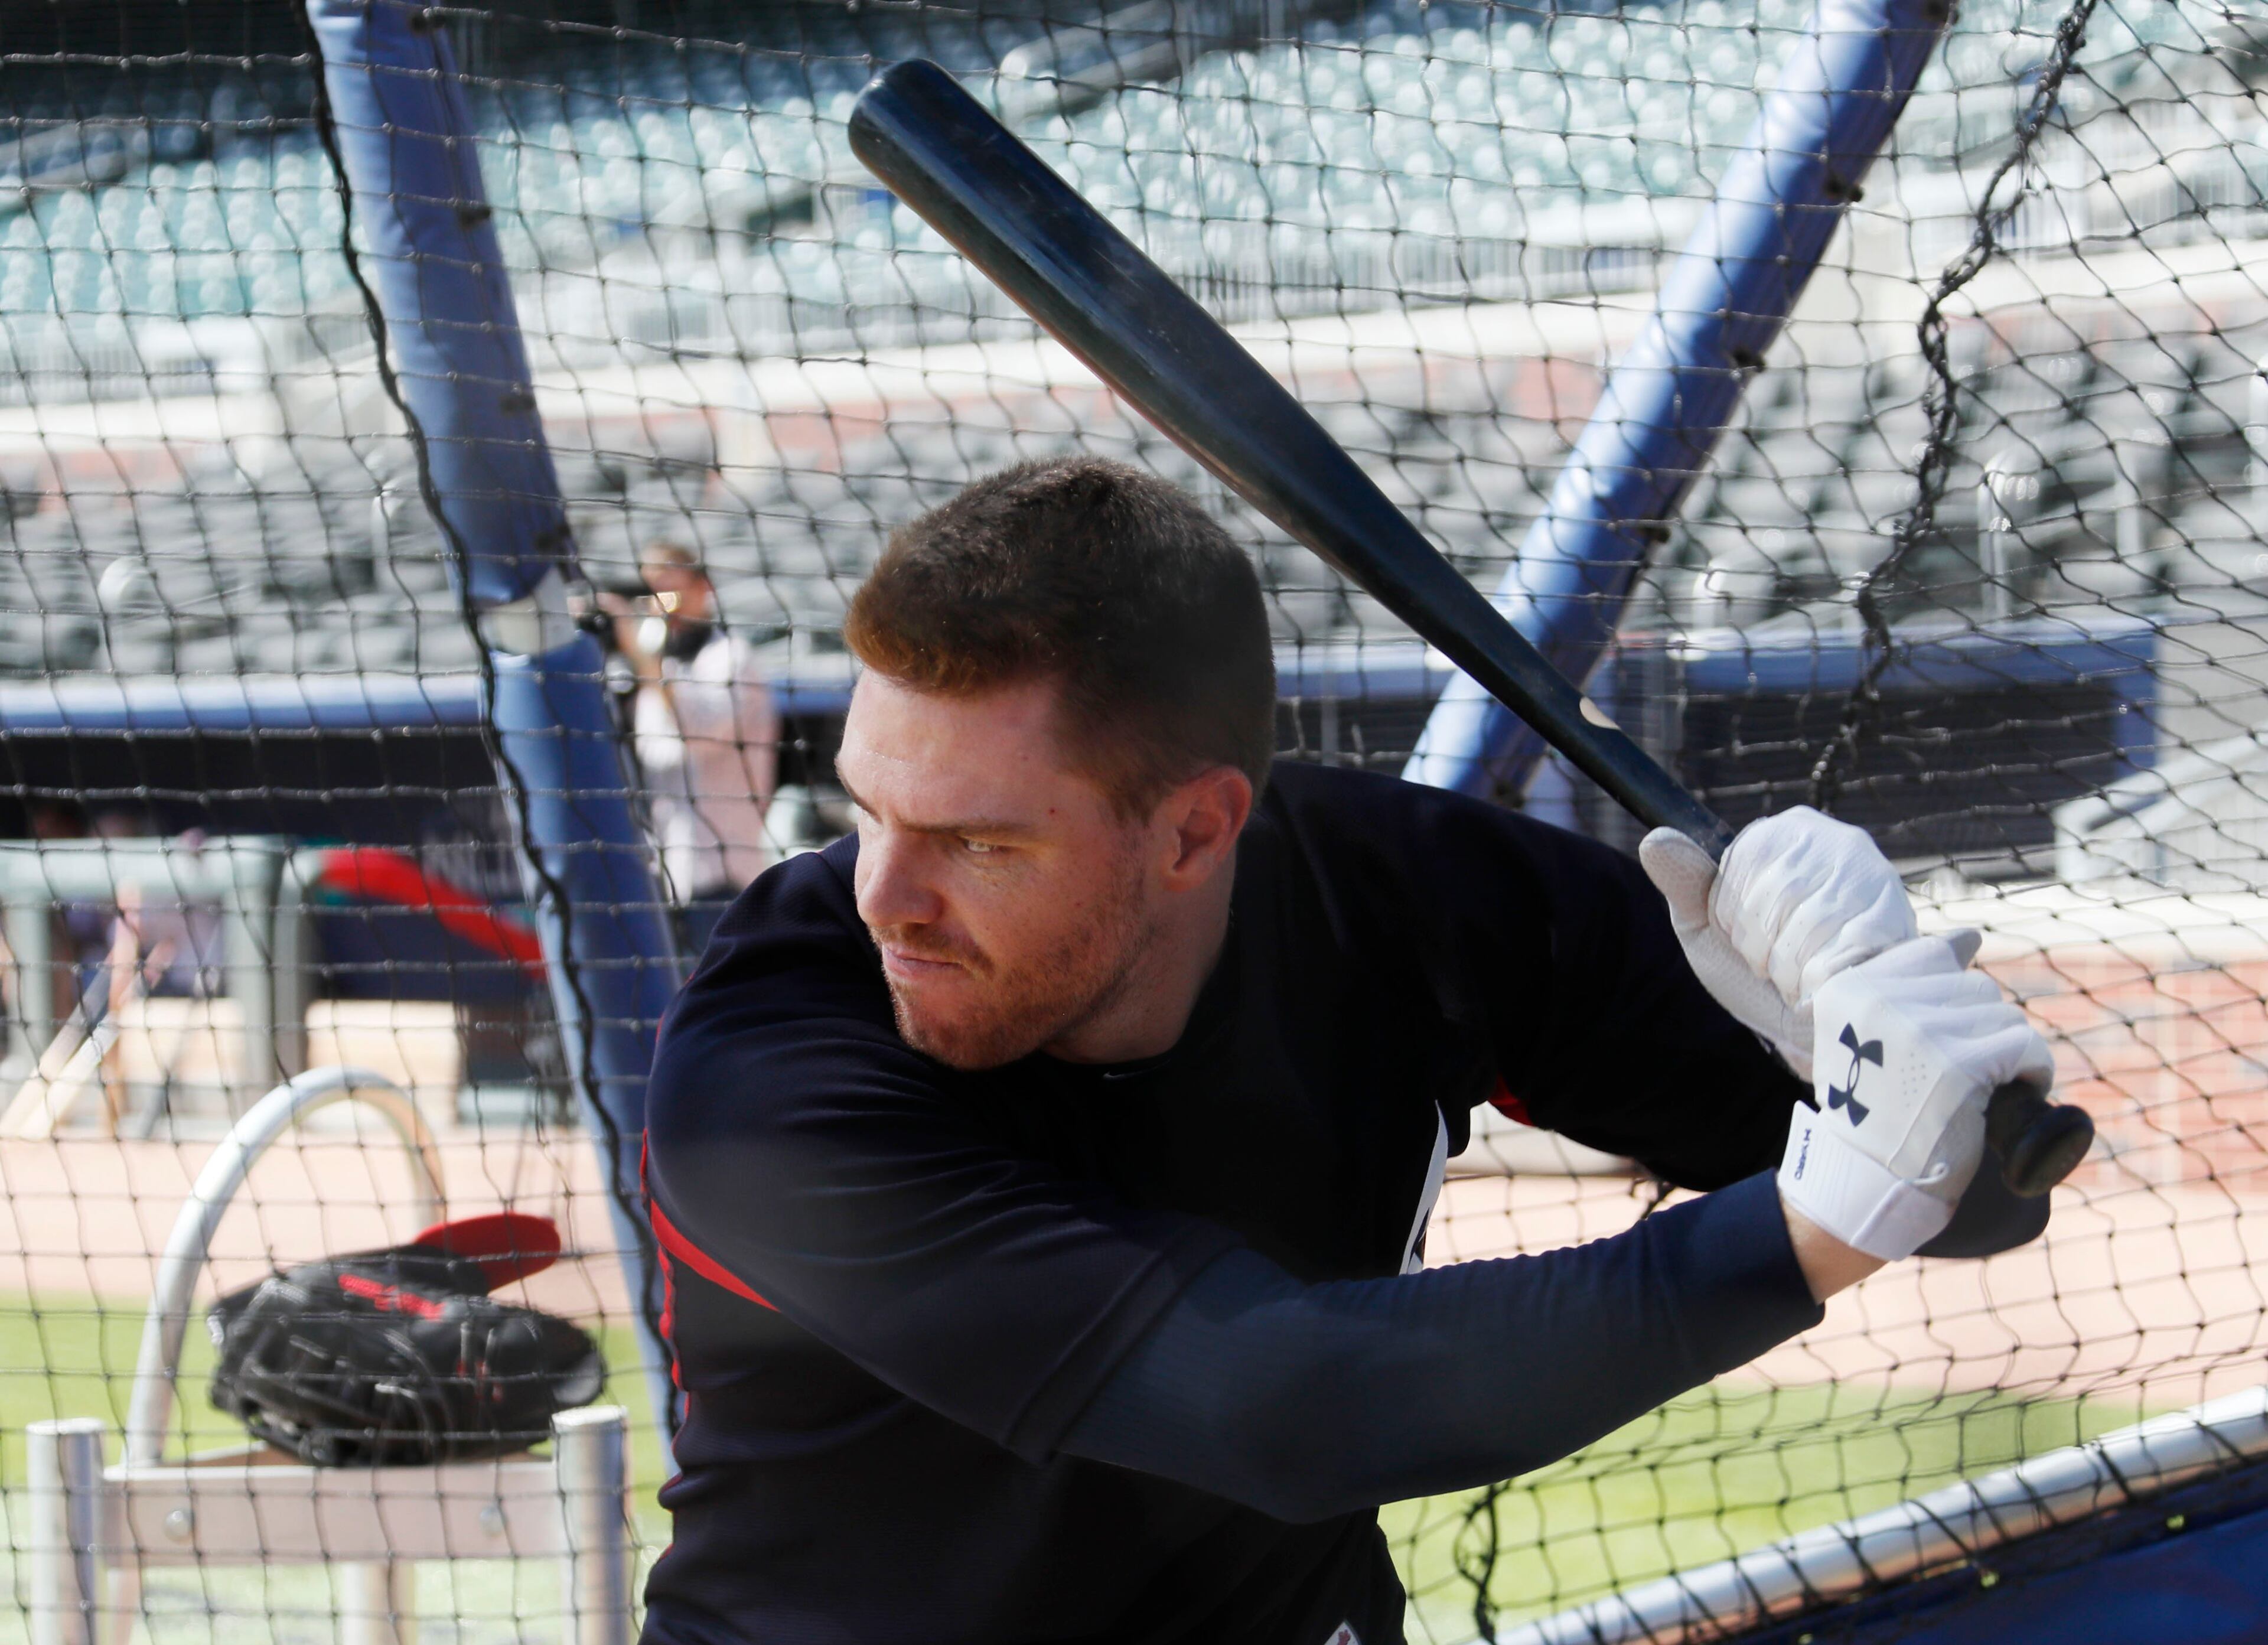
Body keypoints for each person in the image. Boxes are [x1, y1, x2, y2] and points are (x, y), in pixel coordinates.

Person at [640, 458, 2054, 1645]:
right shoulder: (768, 1067)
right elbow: (1277, 1401)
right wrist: (1825, 1210)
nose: (884, 893)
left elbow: (1973, 1193)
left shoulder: (1391, 892)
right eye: (868, 808)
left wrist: (1832, 1038)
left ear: (1197, 830)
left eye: (978, 842)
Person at [611, 541, 780, 959]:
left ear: (703, 587)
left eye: (670, 590)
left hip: (724, 877)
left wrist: (641, 655)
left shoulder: (731, 657)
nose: (661, 604)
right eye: (651, 592)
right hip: (668, 878)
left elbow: (700, 731)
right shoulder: (656, 669)